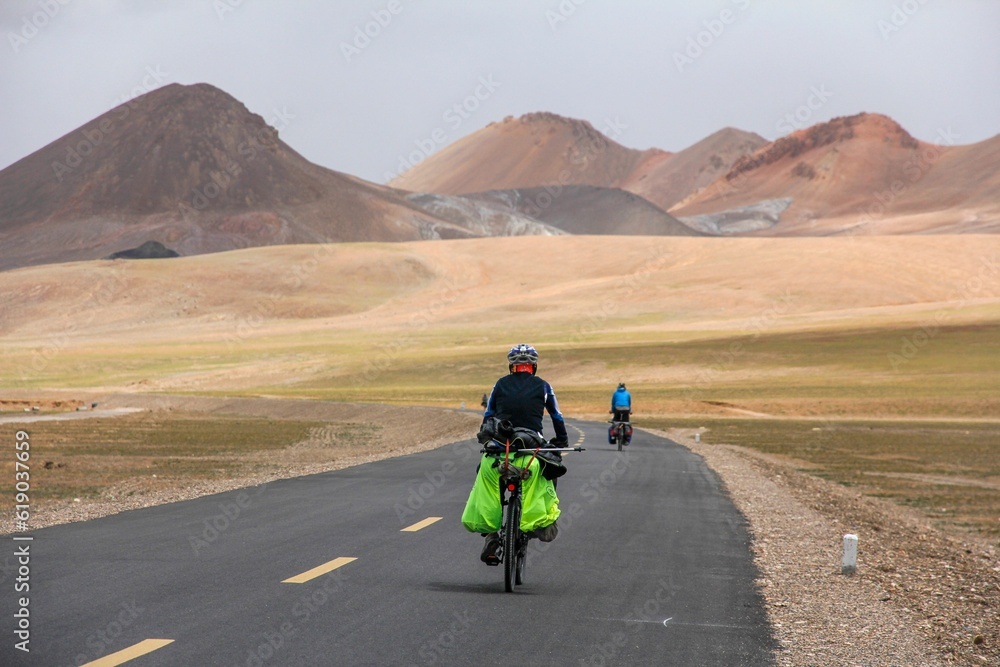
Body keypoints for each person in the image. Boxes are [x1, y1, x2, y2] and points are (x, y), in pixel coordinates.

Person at [461, 344, 569, 565]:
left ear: (512, 366)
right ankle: (536, 524)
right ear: (534, 366)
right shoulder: (544, 386)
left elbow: (489, 414)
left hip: (501, 446)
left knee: (484, 472)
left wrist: (487, 437)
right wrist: (562, 441)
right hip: (531, 447)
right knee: (550, 473)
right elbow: (557, 416)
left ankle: (491, 536)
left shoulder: (500, 384)